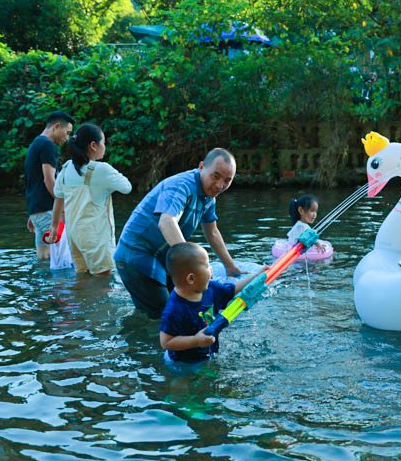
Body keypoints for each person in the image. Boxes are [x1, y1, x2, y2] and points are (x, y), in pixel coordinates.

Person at [114, 148, 243, 319]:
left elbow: (212, 232)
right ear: (202, 167)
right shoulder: (182, 186)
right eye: (216, 176)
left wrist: (230, 267)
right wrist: (194, 264)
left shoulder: (209, 196)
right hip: (135, 255)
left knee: (181, 309)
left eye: (227, 180)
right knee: (168, 317)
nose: (220, 185)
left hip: (164, 259)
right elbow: (167, 221)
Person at [159, 242, 267, 363]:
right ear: (191, 278)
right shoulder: (174, 309)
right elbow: (166, 342)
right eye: (206, 265)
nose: (211, 269)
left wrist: (256, 276)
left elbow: (233, 290)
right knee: (181, 381)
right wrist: (196, 340)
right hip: (182, 362)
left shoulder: (211, 288)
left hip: (207, 353)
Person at [47, 123, 131, 276]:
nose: (104, 147)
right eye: (103, 142)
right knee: (103, 279)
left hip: (73, 234)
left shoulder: (66, 169)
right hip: (95, 236)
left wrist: (54, 226)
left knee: (82, 276)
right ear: (94, 145)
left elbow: (58, 197)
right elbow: (127, 187)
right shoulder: (101, 169)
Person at [24, 111, 75, 260]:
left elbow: (33, 180)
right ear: (57, 126)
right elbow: (48, 180)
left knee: (44, 257)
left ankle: (43, 283)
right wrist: (63, 206)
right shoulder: (48, 145)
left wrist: (34, 212)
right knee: (61, 257)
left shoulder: (35, 143)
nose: (67, 138)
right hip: (48, 210)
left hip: (38, 210)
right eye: (67, 133)